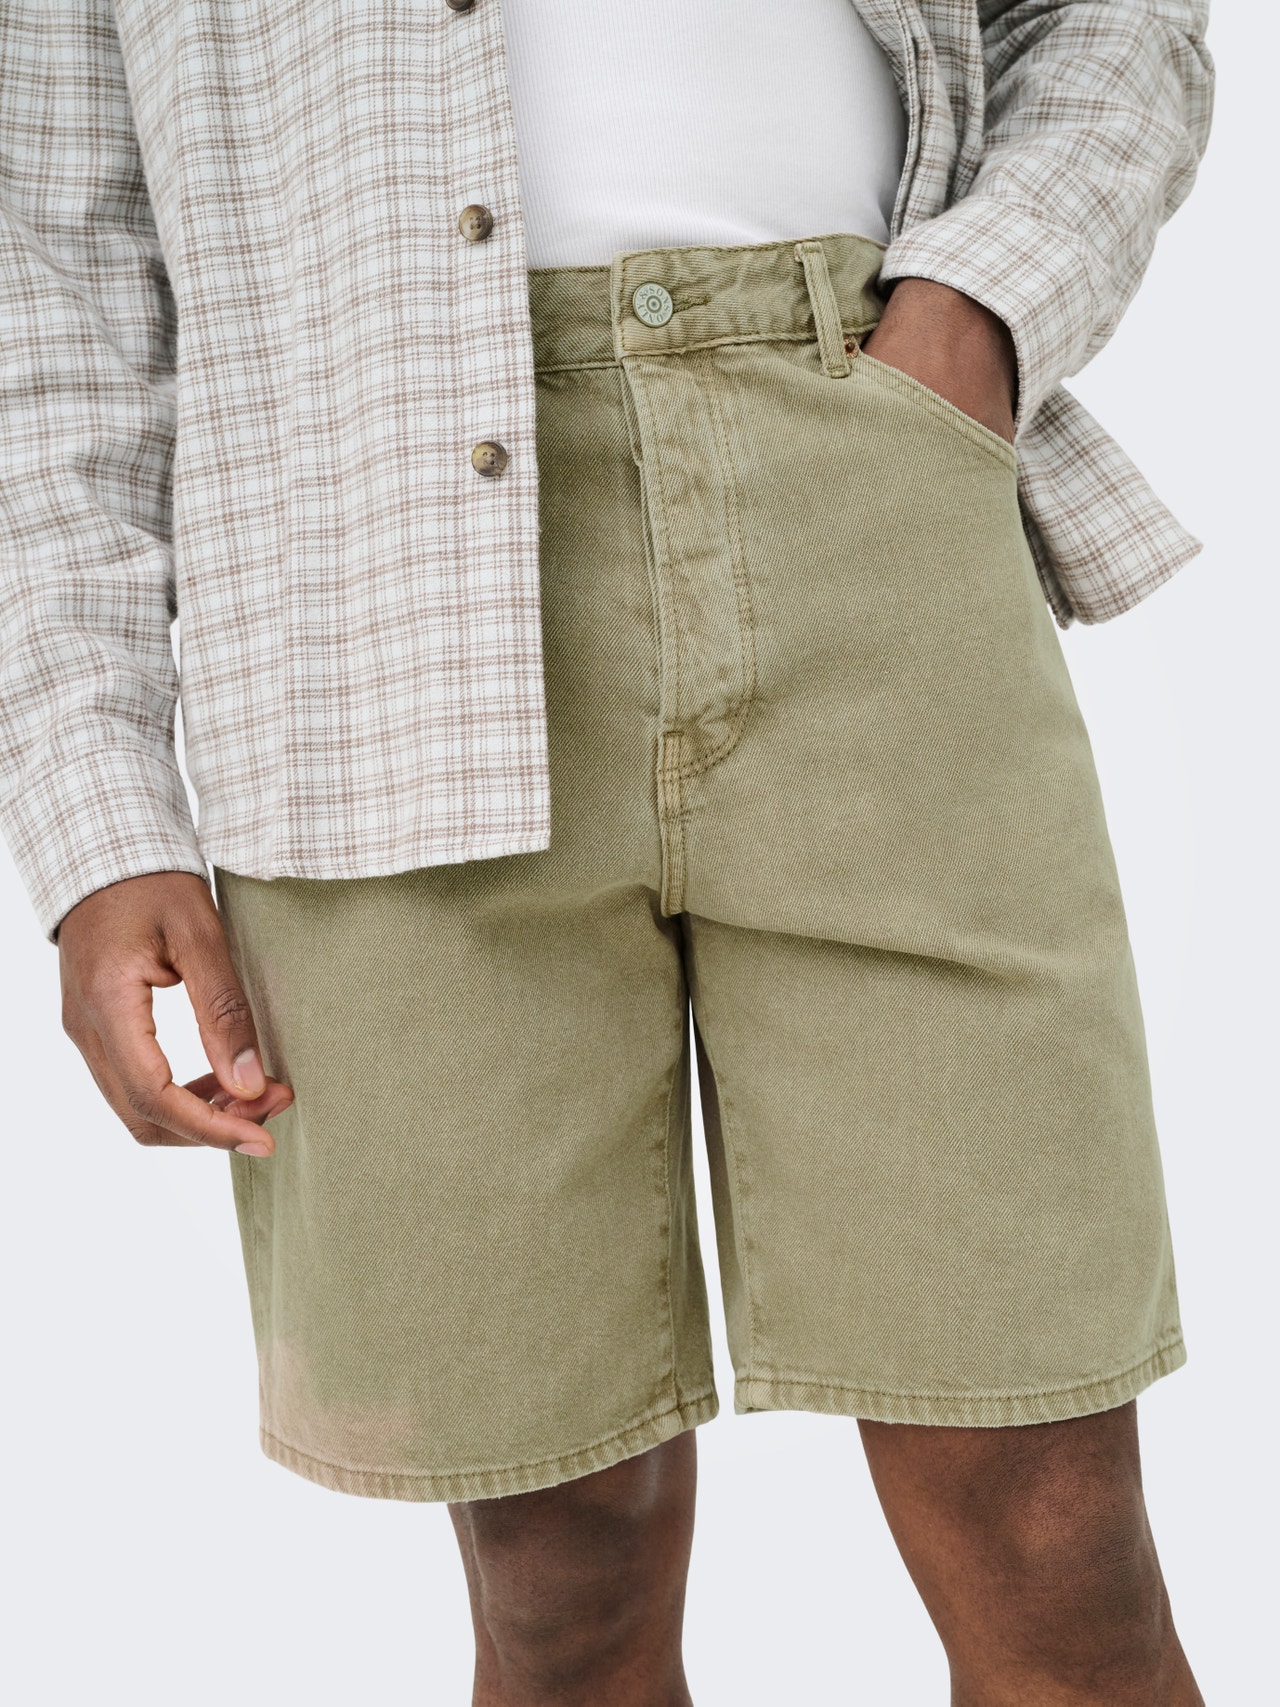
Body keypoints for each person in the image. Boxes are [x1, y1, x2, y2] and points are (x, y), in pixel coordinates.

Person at [0, 2, 1215, 1701]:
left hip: (862, 483)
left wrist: (986, 305)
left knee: (1048, 1526)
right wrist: (96, 807)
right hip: (363, 586)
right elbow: (52, 277)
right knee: (560, 1571)